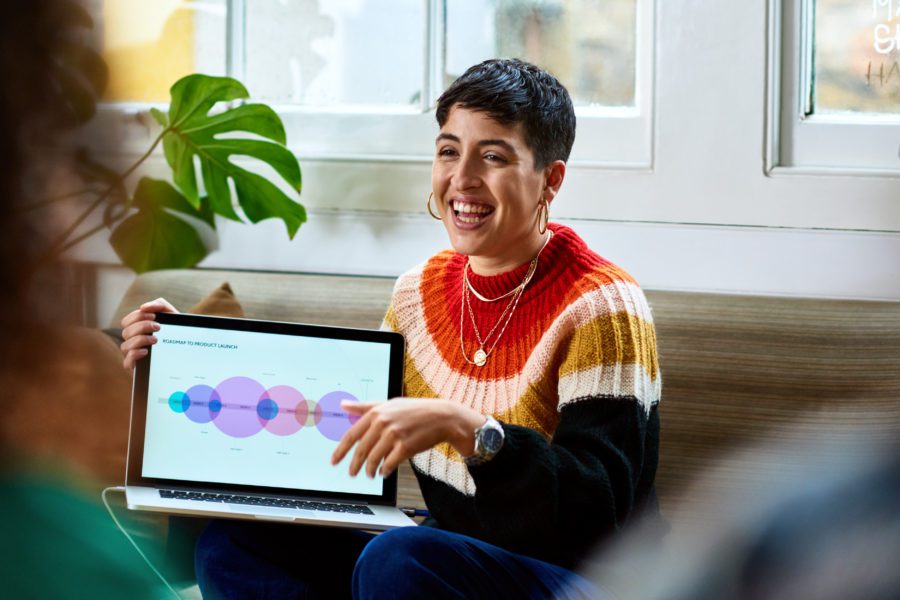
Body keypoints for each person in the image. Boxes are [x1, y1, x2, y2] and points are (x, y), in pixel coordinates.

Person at [121, 58, 663, 599]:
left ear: (551, 179)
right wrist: (184, 353)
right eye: (449, 151)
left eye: (492, 156)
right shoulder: (417, 296)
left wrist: (472, 431)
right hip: (445, 560)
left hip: (582, 576)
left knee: (400, 559)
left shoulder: (603, 306)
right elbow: (330, 428)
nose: (462, 179)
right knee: (231, 546)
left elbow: (598, 513)